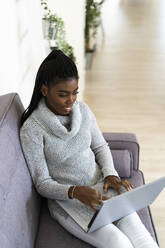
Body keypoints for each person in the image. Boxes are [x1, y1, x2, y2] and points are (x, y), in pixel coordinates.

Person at [20, 49, 158, 248]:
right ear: (44, 90)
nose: (71, 101)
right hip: (67, 203)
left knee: (145, 241)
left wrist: (111, 175)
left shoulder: (83, 110)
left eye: (75, 93)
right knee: (120, 244)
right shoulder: (32, 130)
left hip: (102, 187)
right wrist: (75, 192)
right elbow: (42, 183)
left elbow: (100, 146)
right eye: (62, 94)